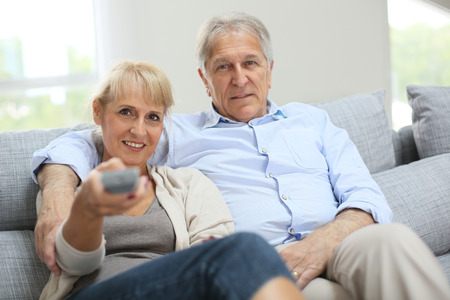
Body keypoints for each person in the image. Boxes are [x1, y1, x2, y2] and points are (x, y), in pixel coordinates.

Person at [32, 12, 450, 300]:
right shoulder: (176, 132)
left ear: (269, 69)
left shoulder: (313, 122)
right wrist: (57, 190)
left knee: (392, 241)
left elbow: (367, 197)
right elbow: (98, 140)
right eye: (223, 67)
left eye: (250, 63)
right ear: (204, 79)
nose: (239, 78)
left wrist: (322, 243)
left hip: (339, 244)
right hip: (263, 265)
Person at [37, 60, 305, 300]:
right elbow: (72, 264)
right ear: (98, 112)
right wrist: (88, 209)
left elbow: (214, 252)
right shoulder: (66, 187)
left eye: (152, 117)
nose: (139, 130)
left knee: (247, 253)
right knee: (248, 247)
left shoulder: (188, 184)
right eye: (126, 112)